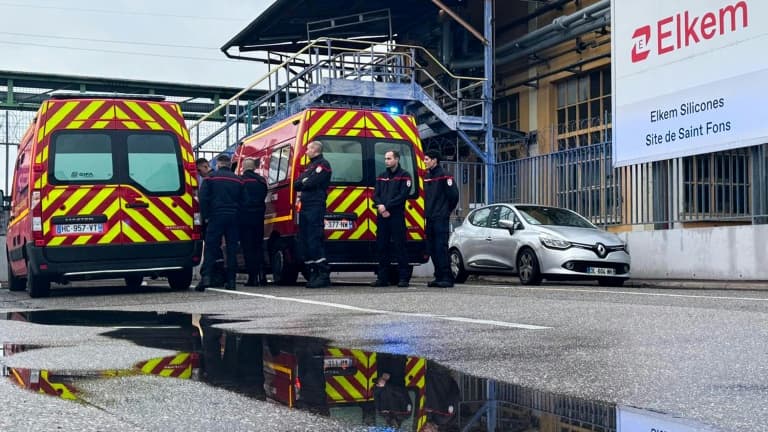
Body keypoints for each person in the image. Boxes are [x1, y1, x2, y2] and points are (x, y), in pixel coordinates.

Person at [196, 154, 242, 291]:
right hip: (233, 218)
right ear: (229, 164)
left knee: (211, 247)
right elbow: (243, 200)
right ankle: (232, 281)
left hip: (216, 217)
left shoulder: (210, 179)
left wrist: (206, 217)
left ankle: (206, 278)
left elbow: (203, 199)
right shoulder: (238, 180)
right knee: (231, 249)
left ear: (218, 164)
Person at [293, 141, 332, 288]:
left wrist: (305, 181)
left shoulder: (323, 165)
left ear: (315, 150)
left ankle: (322, 274)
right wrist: (304, 181)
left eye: (308, 149)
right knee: (305, 240)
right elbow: (297, 184)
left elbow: (310, 183)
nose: (306, 152)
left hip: (315, 205)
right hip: (306, 206)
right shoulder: (310, 166)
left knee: (314, 238)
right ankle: (313, 272)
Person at [371, 150, 412, 288]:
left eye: (389, 158)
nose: (386, 161)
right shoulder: (381, 176)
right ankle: (382, 278)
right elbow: (375, 194)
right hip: (383, 217)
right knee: (382, 247)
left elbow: (402, 196)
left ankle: (403, 278)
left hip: (396, 216)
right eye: (385, 158)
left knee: (400, 247)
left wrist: (386, 207)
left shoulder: (405, 176)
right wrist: (380, 206)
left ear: (397, 159)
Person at [423, 150, 459, 288]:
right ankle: (438, 277)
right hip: (430, 217)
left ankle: (447, 277)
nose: (425, 162)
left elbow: (454, 196)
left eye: (427, 159)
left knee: (441, 247)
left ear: (434, 160)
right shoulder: (427, 176)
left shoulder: (445, 176)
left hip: (440, 218)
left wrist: (446, 211)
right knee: (432, 248)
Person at [239, 158, 268, 286]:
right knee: (258, 246)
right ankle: (262, 276)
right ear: (254, 168)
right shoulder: (261, 181)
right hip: (259, 217)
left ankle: (252, 277)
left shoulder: (241, 181)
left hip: (245, 218)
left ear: (243, 168)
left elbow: (239, 198)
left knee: (248, 248)